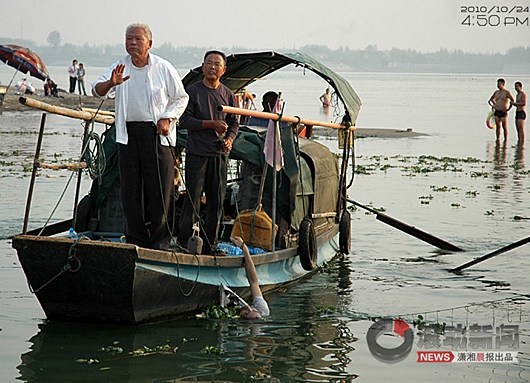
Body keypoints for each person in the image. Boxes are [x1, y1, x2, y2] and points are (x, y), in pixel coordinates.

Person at [92, 23, 189, 250]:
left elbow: (181, 98)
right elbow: (96, 89)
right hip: (128, 134)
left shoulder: (163, 67)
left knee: (160, 190)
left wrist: (167, 118)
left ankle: (161, 242)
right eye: (128, 39)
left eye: (137, 39)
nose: (132, 43)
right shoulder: (119, 67)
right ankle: (135, 240)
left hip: (157, 134)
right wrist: (111, 83)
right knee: (131, 191)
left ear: (149, 43)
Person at [177, 50, 239, 255]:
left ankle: (210, 243)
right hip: (197, 153)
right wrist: (210, 124)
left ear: (223, 69)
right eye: (208, 63)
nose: (212, 67)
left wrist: (229, 139)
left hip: (219, 154)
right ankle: (184, 241)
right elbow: (184, 121)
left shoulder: (228, 94)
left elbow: (234, 123)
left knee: (216, 200)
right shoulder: (192, 91)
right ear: (203, 67)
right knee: (193, 198)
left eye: (216, 64)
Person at [231, 235, 270, 319]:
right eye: (251, 310)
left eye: (246, 313)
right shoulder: (263, 309)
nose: (248, 308)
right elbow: (253, 281)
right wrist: (244, 249)